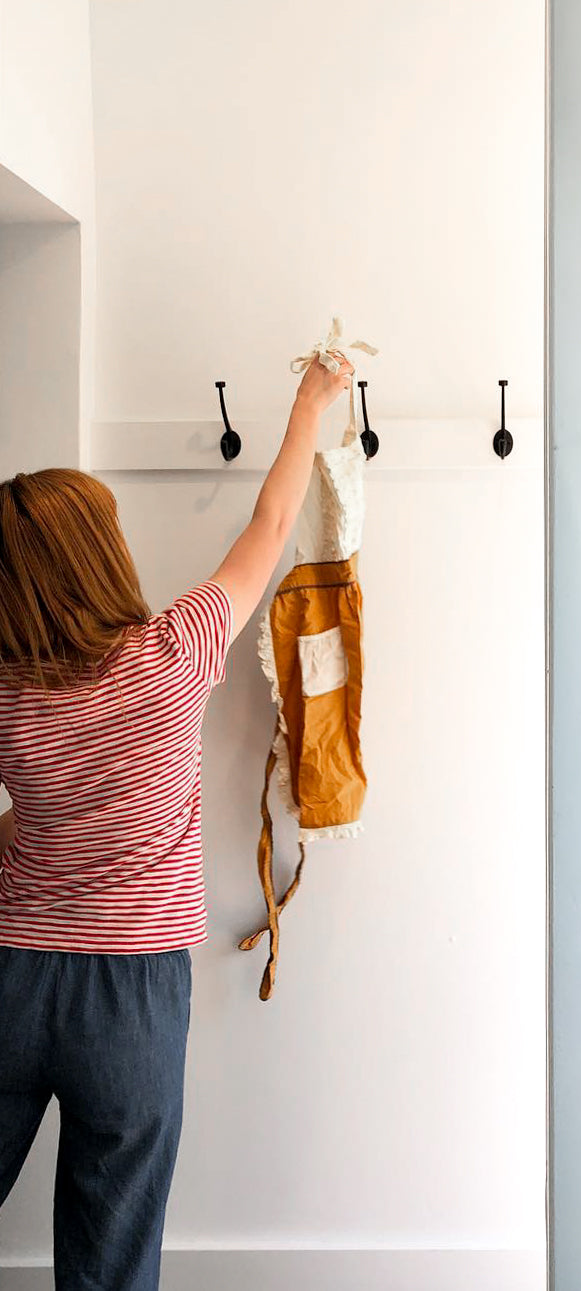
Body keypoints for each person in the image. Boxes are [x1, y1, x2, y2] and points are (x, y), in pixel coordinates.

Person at [0, 351, 354, 1290]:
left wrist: (36, 831)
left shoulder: (8, 693)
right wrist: (310, 403)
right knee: (111, 1252)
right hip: (132, 991)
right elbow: (272, 522)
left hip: (11, 973)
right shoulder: (171, 653)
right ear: (98, 556)